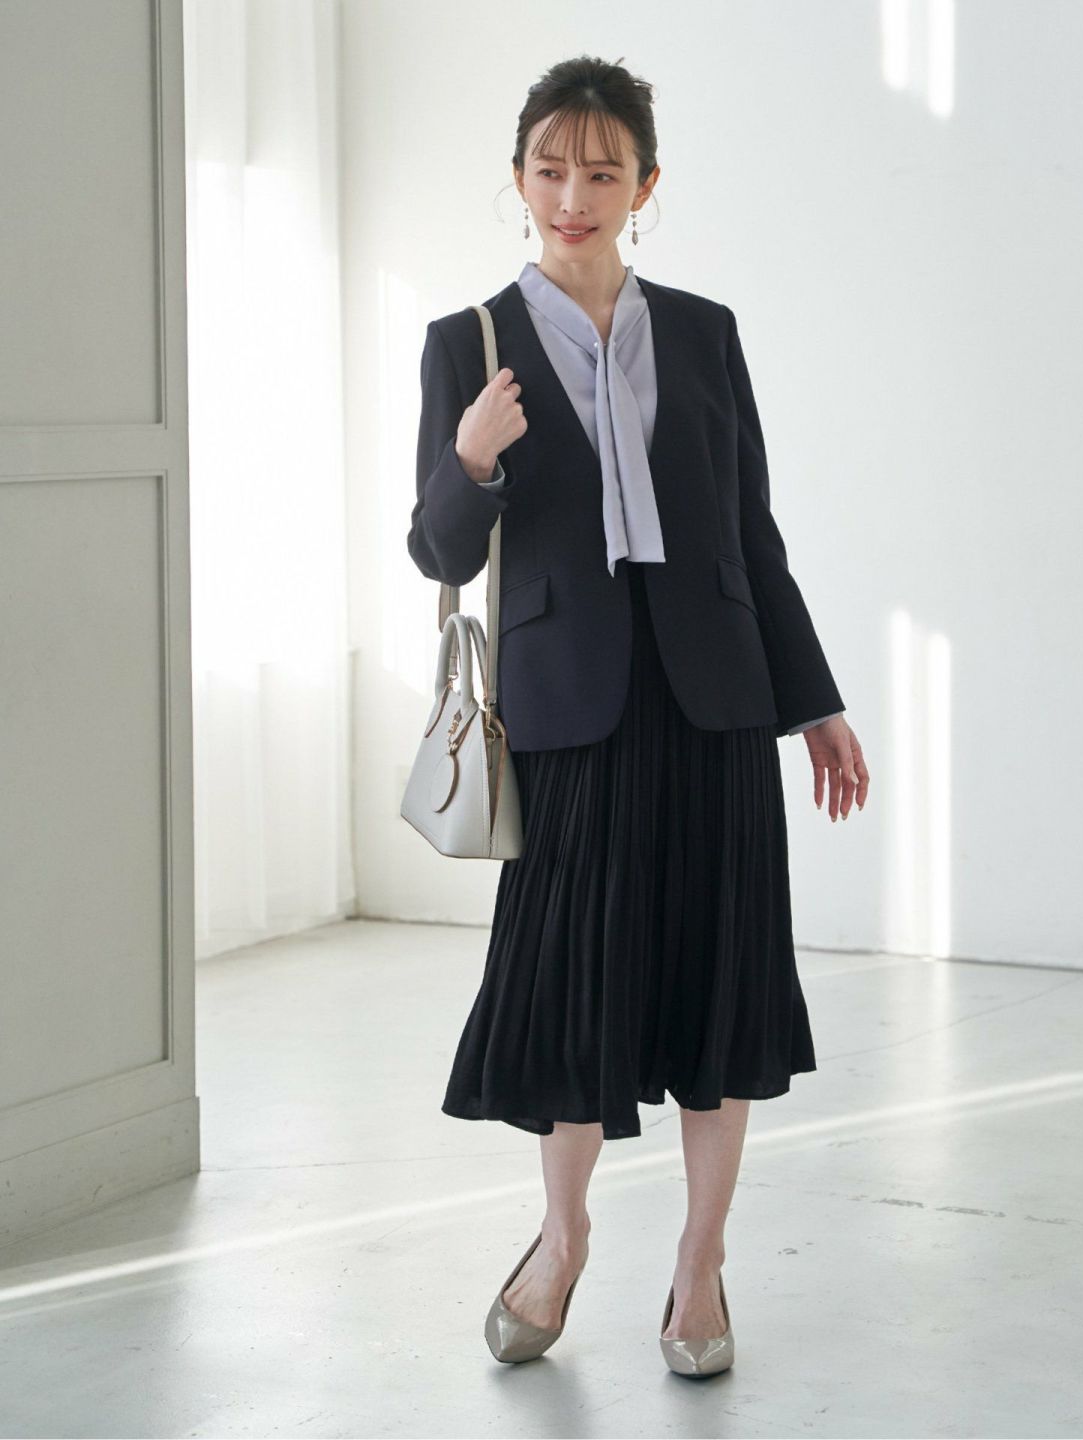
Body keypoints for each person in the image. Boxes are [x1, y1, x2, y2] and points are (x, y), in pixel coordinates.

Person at [407, 54, 870, 1375]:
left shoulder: (707, 333)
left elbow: (750, 536)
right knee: (573, 997)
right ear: (518, 178)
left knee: (718, 995)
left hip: (715, 706)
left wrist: (815, 702)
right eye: (550, 169)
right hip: (570, 715)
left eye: (602, 172)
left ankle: (702, 1265)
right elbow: (440, 552)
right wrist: (472, 461)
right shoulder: (468, 344)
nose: (574, 196)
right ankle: (563, 1243)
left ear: (645, 187)